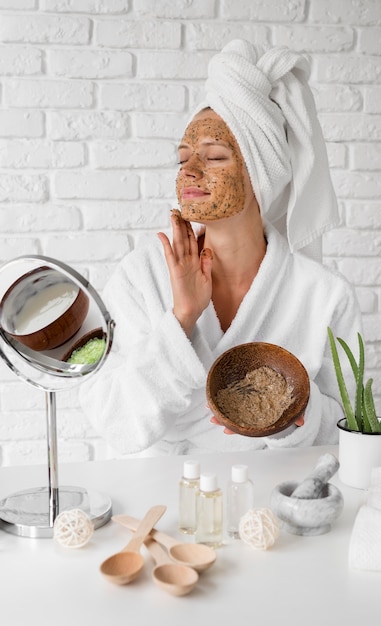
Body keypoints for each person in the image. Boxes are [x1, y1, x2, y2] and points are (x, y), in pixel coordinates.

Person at [80, 39, 362, 457]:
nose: (190, 171)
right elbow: (113, 422)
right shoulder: (142, 276)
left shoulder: (324, 295)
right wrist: (181, 319)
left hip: (271, 501)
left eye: (213, 157)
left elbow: (349, 429)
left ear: (260, 174)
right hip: (161, 504)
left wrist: (291, 417)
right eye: (182, 159)